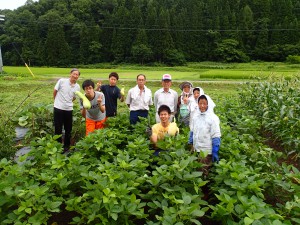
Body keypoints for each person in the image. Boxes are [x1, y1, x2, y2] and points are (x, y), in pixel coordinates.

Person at [188, 94, 221, 175]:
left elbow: (216, 135)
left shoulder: (213, 118)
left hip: (206, 151)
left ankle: (204, 187)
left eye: (204, 103)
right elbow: (193, 131)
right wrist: (191, 142)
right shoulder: (196, 117)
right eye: (200, 103)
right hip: (196, 149)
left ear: (208, 104)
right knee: (196, 170)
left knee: (203, 172)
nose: (202, 106)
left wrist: (215, 150)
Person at [53, 68, 81, 151]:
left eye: (77, 75)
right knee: (58, 128)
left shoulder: (77, 86)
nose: (75, 76)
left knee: (68, 128)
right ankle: (57, 146)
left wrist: (68, 102)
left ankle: (66, 146)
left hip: (69, 109)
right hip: (58, 108)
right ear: (70, 74)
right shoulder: (62, 81)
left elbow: (74, 98)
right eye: (74, 74)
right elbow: (55, 91)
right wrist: (57, 102)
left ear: (78, 77)